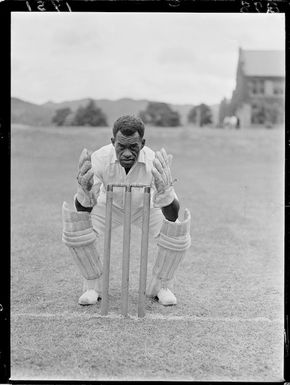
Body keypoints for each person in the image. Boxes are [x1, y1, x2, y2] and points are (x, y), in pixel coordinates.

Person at [62, 115, 191, 307]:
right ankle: (92, 287)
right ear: (113, 142)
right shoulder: (99, 158)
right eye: (121, 146)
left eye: (134, 147)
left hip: (144, 206)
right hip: (110, 205)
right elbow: (83, 211)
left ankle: (161, 287)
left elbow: (172, 216)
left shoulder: (153, 161)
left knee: (177, 233)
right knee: (76, 229)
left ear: (143, 143)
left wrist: (165, 194)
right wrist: (84, 194)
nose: (128, 153)